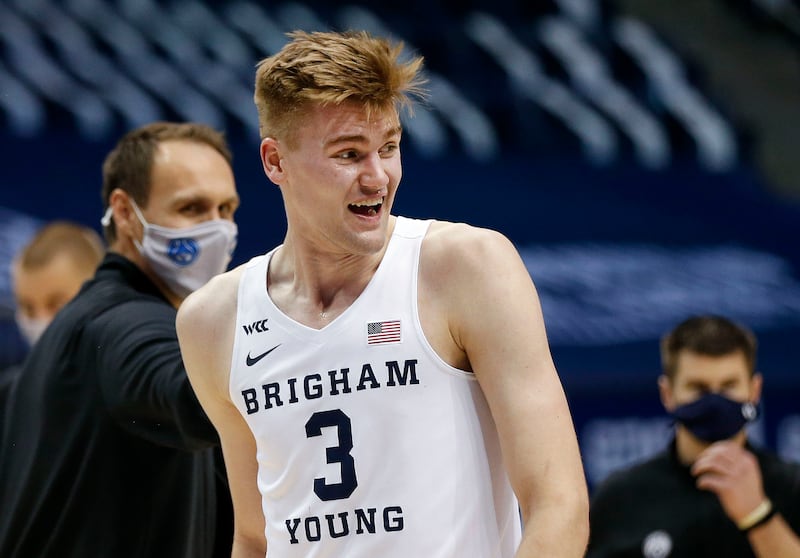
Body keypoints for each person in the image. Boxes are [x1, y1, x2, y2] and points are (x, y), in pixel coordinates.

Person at [176, 30, 589, 558]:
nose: (379, 178)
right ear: (275, 162)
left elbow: (559, 505)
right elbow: (255, 538)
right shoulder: (212, 320)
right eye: (349, 154)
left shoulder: (466, 267)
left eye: (389, 148)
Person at [0, 122, 240, 558]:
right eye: (192, 208)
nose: (217, 229)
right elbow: (184, 391)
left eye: (226, 209)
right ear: (126, 213)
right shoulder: (121, 323)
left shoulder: (73, 331)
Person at [587, 315, 800, 558]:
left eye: (729, 386)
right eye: (698, 388)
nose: (714, 401)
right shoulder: (621, 498)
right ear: (667, 393)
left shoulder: (791, 487)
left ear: (754, 390)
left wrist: (759, 516)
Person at [1, 221, 105, 409]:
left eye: (56, 305)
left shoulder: (129, 388)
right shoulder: (10, 398)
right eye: (28, 308)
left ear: (98, 292)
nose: (41, 320)